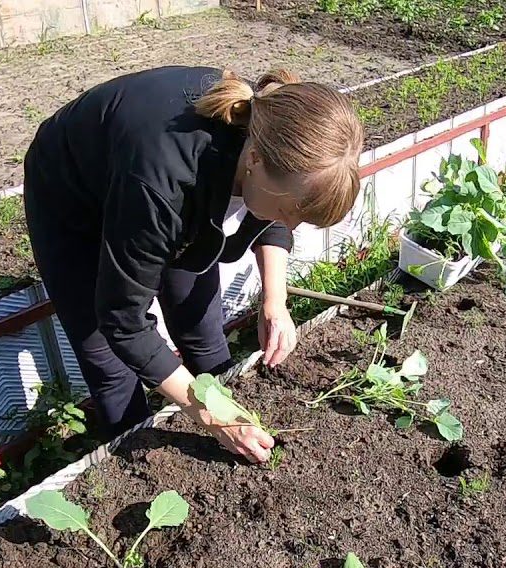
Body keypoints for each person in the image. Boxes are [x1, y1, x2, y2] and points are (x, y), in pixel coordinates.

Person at [24, 66, 364, 463]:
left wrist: (275, 301)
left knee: (199, 322)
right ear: (253, 159)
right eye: (290, 212)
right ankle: (136, 451)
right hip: (74, 196)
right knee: (107, 354)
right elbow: (123, 319)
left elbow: (272, 214)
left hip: (151, 189)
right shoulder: (163, 183)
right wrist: (215, 420)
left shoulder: (275, 133)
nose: (290, 226)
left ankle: (230, 406)